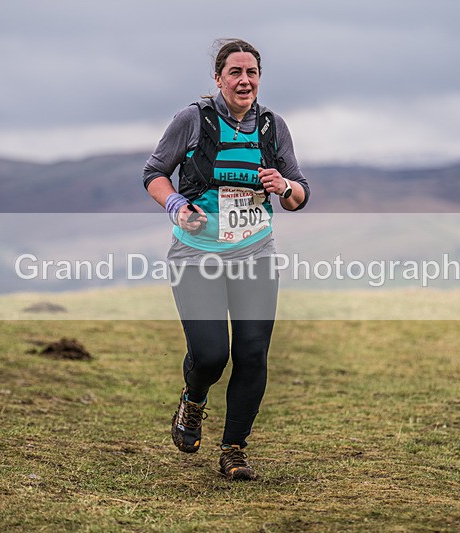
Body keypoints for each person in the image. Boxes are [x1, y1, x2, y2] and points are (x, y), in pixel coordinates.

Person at [142, 38, 310, 480]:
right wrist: (177, 205)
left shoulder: (273, 127)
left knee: (253, 354)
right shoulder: (192, 120)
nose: (244, 80)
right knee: (213, 355)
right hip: (196, 256)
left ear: (259, 78)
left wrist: (284, 187)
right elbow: (154, 173)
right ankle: (193, 402)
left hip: (255, 253)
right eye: (235, 72)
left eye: (251, 72)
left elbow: (299, 195)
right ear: (218, 79)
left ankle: (234, 448)